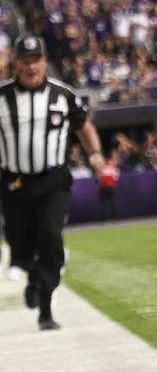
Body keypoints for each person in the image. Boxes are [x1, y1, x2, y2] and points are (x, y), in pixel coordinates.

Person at [0, 35, 106, 330]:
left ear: (45, 61)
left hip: (53, 180)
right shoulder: (2, 97)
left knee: (50, 236)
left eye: (36, 60)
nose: (31, 66)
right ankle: (33, 275)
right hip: (14, 181)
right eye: (25, 60)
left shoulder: (63, 95)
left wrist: (95, 153)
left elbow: (84, 126)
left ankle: (46, 308)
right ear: (16, 63)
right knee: (18, 247)